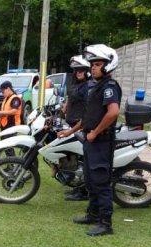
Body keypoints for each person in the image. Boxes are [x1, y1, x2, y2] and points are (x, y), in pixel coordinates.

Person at [72, 44, 121, 236]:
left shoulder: (109, 87)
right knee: (90, 181)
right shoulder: (96, 87)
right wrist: (71, 131)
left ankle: (105, 223)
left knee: (101, 183)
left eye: (97, 64)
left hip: (101, 142)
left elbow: (113, 112)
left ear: (108, 66)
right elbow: (89, 116)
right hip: (90, 141)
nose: (93, 67)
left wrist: (95, 132)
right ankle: (93, 214)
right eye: (92, 64)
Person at [58, 55, 92, 201]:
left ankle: (85, 191)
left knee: (85, 160)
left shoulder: (88, 87)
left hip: (81, 125)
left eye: (81, 70)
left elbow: (88, 112)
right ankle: (78, 186)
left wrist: (76, 128)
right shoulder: (76, 84)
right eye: (76, 70)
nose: (78, 73)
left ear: (87, 71)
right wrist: (62, 110)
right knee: (77, 158)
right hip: (71, 122)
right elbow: (70, 99)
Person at [0, 81, 22, 156]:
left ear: (8, 89)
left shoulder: (15, 98)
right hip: (5, 125)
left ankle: (12, 164)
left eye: (3, 91)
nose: (2, 94)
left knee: (8, 146)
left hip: (12, 125)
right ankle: (10, 164)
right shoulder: (6, 98)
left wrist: (0, 112)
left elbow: (13, 111)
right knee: (5, 145)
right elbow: (5, 110)